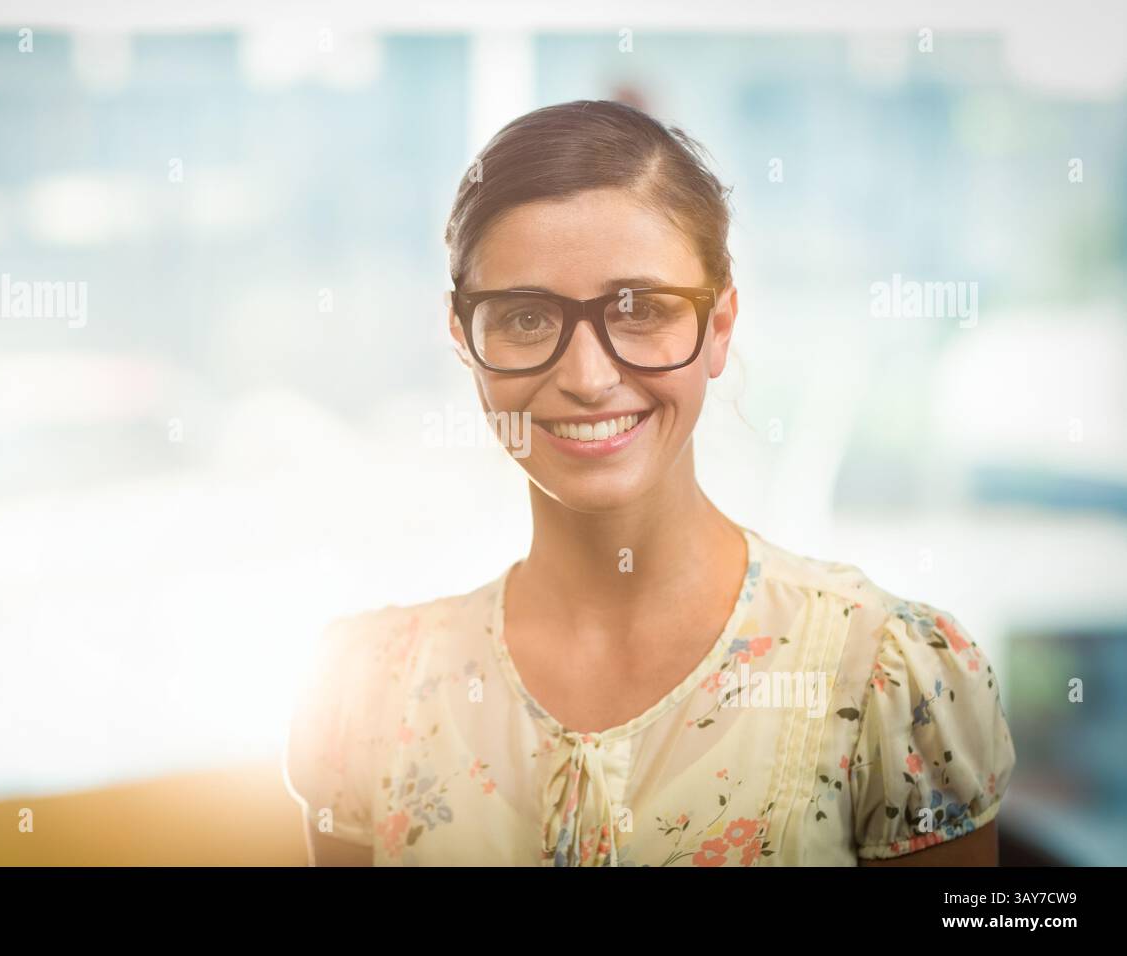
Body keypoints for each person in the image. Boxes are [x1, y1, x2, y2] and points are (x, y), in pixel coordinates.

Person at [283, 99, 1016, 867]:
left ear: (720, 326)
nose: (588, 378)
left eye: (641, 311)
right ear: (463, 340)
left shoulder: (890, 678)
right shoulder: (366, 689)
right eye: (527, 319)